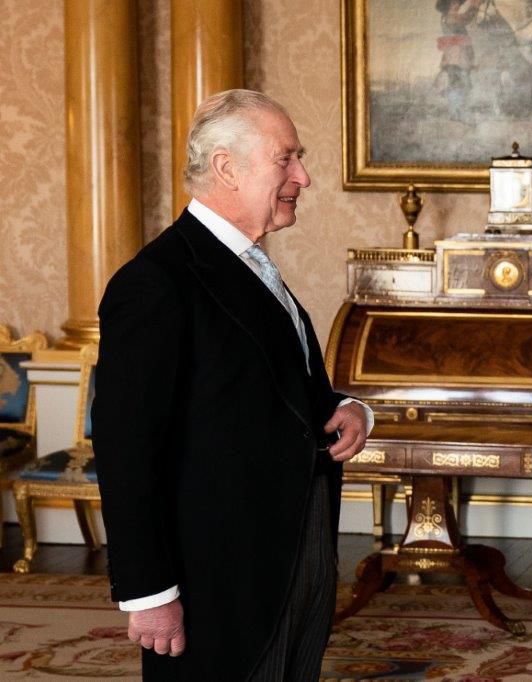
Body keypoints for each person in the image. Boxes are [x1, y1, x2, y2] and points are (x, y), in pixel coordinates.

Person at [91, 89, 372, 681]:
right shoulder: (155, 283)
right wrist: (148, 593)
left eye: (299, 159)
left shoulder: (250, 264)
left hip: (292, 552)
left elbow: (272, 385)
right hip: (218, 573)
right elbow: (126, 452)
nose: (303, 177)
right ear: (226, 167)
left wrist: (348, 407)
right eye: (286, 158)